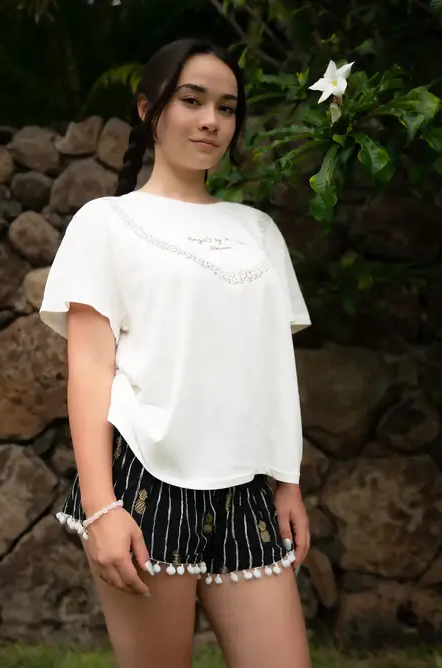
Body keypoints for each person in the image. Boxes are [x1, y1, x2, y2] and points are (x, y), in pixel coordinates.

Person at [40, 37, 312, 668]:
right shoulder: (105, 223)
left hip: (247, 490)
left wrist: (288, 483)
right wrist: (101, 507)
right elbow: (90, 370)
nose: (211, 120)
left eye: (227, 107)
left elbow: (273, 369)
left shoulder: (259, 231)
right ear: (148, 109)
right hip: (145, 486)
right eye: (192, 100)